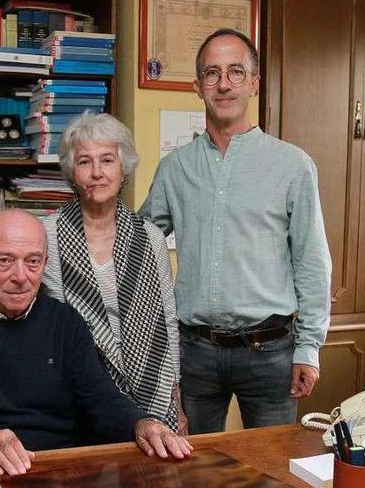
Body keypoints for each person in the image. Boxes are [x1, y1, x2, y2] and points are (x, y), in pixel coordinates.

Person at [0, 112, 185, 433]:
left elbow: (166, 320)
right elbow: (5, 273)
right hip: (80, 390)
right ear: (71, 171)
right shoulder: (48, 233)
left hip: (151, 385)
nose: (97, 173)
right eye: (84, 162)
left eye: (107, 160)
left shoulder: (149, 236)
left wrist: (176, 399)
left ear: (123, 167)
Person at [139, 28, 332, 434]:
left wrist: (309, 348)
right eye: (212, 73)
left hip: (271, 352)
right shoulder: (175, 169)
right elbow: (139, 244)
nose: (223, 83)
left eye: (235, 72)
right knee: (197, 470)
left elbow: (312, 262)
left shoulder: (292, 166)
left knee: (272, 470)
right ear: (197, 87)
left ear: (255, 83)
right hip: (195, 354)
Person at [0, 209, 192, 476]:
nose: (20, 276)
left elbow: (101, 399)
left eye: (32, 261)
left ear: (45, 264)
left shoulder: (66, 323)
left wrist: (141, 423)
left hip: (56, 469)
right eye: (5, 261)